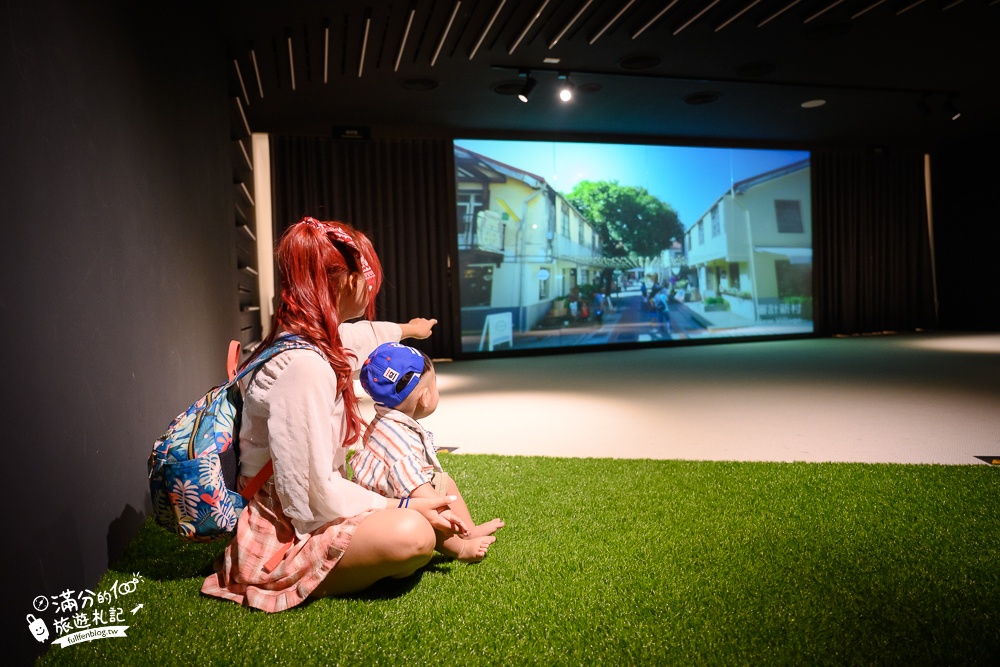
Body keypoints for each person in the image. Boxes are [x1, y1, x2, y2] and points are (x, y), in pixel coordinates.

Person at [201, 217, 467, 612]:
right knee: (414, 536)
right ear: (342, 280)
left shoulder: (307, 336)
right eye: (366, 274)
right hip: (284, 527)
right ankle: (293, 578)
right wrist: (402, 509)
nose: (371, 283)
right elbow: (308, 494)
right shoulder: (303, 367)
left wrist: (408, 330)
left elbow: (360, 337)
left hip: (313, 499)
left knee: (431, 487)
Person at [351, 342, 504, 563]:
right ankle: (461, 549)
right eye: (434, 386)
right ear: (424, 397)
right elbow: (419, 493)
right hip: (388, 513)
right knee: (432, 509)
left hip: (395, 493)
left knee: (444, 482)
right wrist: (437, 504)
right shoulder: (397, 441)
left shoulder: (388, 419)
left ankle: (469, 531)